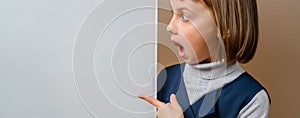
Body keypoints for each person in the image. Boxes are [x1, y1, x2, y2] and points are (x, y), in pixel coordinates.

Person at [139, 0, 270, 117]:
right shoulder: (165, 78)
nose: (170, 26)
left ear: (225, 27)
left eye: (184, 16)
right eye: (172, 13)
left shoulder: (251, 99)